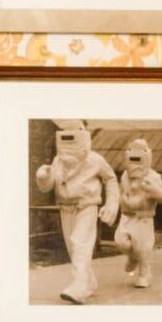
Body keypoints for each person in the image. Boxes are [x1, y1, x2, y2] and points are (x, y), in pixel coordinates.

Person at [37, 123, 120, 304]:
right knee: (74, 249)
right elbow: (49, 186)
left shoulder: (94, 159)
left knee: (80, 243)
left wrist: (112, 204)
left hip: (87, 206)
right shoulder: (58, 160)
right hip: (66, 208)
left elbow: (111, 179)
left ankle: (79, 287)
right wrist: (43, 177)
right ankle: (89, 282)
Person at [111, 138, 162, 290]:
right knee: (120, 242)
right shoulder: (124, 175)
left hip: (143, 217)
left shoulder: (154, 177)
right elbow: (121, 191)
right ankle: (132, 257)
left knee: (143, 248)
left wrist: (153, 190)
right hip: (126, 215)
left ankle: (144, 274)